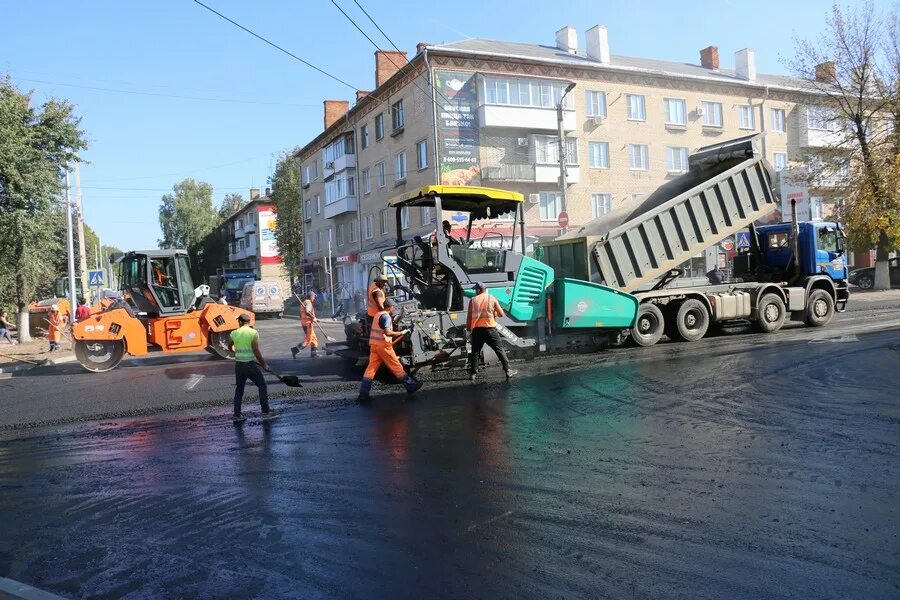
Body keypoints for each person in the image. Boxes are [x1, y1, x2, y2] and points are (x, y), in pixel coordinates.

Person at [357, 298, 422, 402]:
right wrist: (401, 333)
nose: (393, 308)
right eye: (393, 307)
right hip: (384, 346)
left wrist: (401, 314)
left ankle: (363, 394)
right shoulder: (386, 316)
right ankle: (410, 385)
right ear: (390, 307)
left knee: (371, 370)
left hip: (374, 345)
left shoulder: (378, 314)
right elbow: (388, 332)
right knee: (396, 366)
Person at [228, 313, 277, 424]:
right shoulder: (253, 332)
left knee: (239, 390)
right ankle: (265, 411)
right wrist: (264, 364)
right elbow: (256, 350)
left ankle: (237, 414)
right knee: (262, 386)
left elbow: (229, 346)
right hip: (250, 366)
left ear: (240, 322)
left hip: (239, 366)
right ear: (248, 322)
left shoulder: (234, 333)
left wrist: (236, 351)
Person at [467, 282, 517, 382]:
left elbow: (469, 317)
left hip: (477, 331)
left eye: (475, 290)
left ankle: (473, 373)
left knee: (475, 352)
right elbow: (501, 314)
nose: (475, 291)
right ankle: (508, 370)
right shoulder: (491, 298)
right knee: (499, 349)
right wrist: (495, 312)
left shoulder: (472, 301)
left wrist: (469, 330)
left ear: (479, 290)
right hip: (490, 330)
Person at [291, 291, 319, 359]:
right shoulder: (308, 302)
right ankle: (295, 350)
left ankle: (313, 354)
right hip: (308, 323)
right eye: (314, 297)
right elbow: (307, 311)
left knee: (314, 339)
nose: (314, 298)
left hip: (305, 322)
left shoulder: (304, 302)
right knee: (308, 339)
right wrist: (313, 318)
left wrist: (313, 319)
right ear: (311, 297)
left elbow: (301, 314)